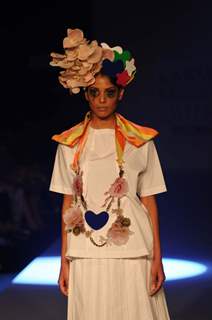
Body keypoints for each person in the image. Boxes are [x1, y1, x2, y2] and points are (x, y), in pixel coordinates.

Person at [49, 28, 171, 320]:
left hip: (134, 251)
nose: (102, 100)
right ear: (86, 95)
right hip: (85, 250)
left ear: (121, 94)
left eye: (109, 93)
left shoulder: (141, 141)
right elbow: (68, 203)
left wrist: (158, 259)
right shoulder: (69, 144)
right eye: (95, 93)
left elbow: (150, 202)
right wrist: (64, 261)